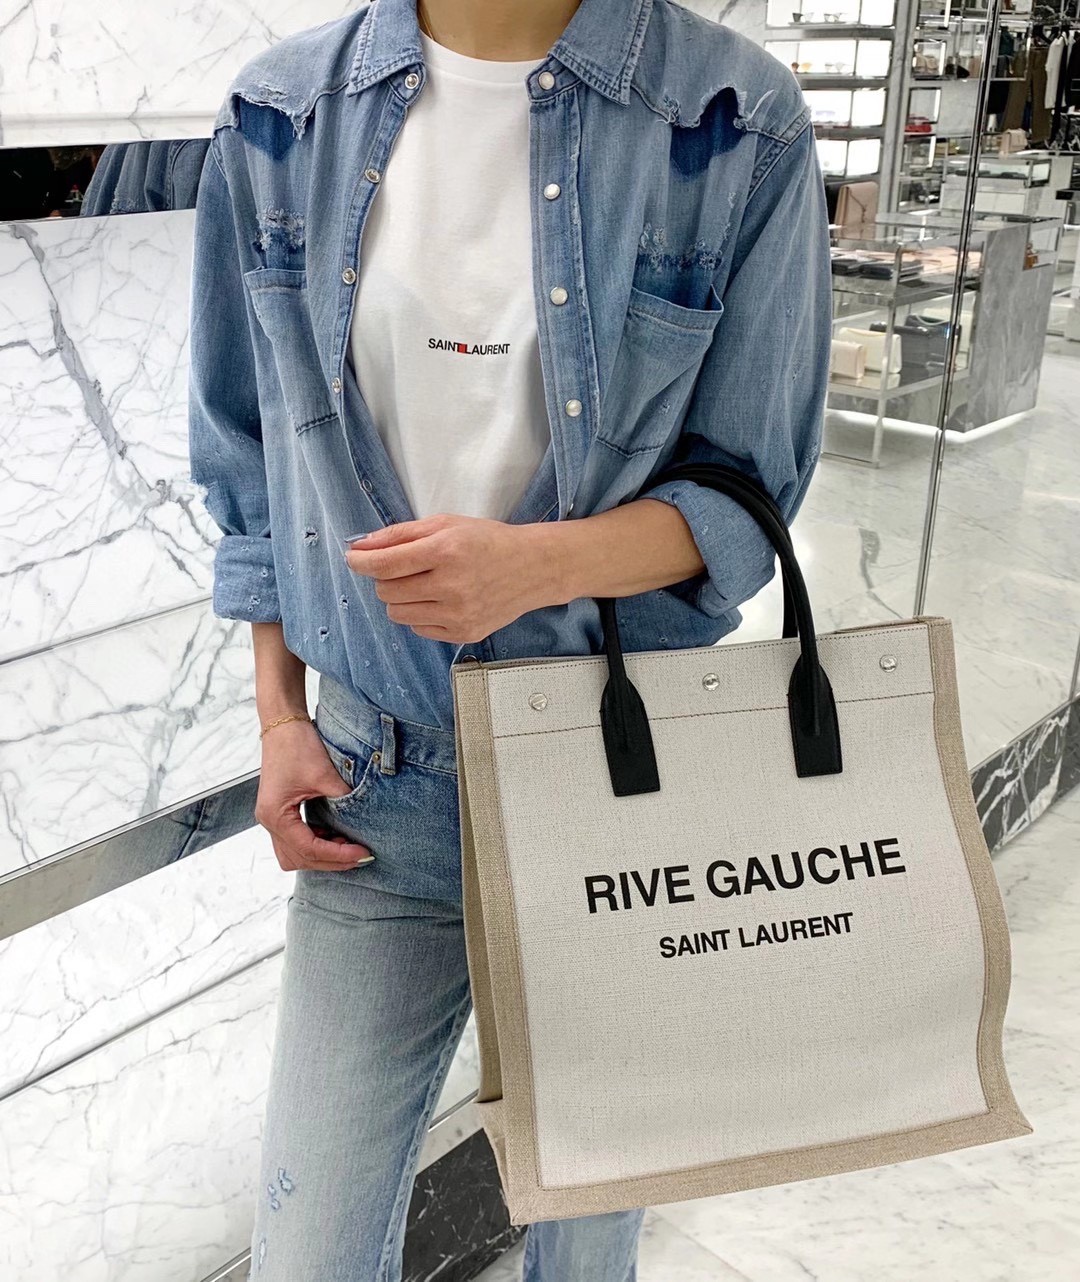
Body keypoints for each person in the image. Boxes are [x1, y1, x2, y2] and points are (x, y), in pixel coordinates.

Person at [187, 0, 832, 1277]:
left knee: (586, 1248)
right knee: (309, 1247)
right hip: (377, 789)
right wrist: (278, 714)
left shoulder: (731, 120)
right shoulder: (279, 117)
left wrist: (532, 567)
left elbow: (750, 492)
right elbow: (248, 458)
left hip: (618, 785)